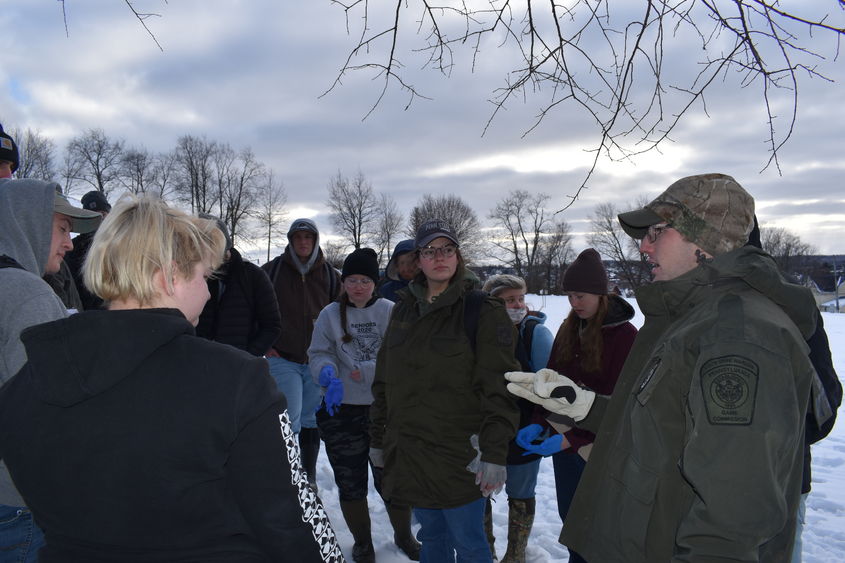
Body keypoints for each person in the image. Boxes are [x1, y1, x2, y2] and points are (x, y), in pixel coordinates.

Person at [0, 195, 342, 562]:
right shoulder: (236, 381)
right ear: (169, 275)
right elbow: (299, 524)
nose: (209, 291)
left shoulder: (32, 376)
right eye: (203, 276)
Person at [507, 173, 818, 562]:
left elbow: (732, 515)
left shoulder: (737, 335)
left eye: (657, 233)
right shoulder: (692, 319)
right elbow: (665, 424)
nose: (643, 247)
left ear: (704, 239)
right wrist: (582, 406)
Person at [370, 219, 520, 563]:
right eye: (429, 251)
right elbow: (385, 380)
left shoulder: (481, 310)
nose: (439, 257)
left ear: (457, 256)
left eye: (447, 249)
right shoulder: (404, 309)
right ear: (417, 260)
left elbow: (500, 386)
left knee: (468, 543)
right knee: (432, 537)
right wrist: (378, 437)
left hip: (460, 455)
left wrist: (494, 452)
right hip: (411, 451)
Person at [0, 178, 101, 562]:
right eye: (62, 228)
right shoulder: (28, 294)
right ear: (26, 221)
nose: (70, 243)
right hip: (19, 505)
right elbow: (47, 413)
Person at [520, 249, 637, 563]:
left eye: (581, 295)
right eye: (569, 296)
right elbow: (553, 382)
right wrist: (539, 420)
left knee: (599, 530)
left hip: (601, 450)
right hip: (566, 446)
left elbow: (620, 405)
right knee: (572, 523)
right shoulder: (569, 328)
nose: (574, 303)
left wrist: (573, 439)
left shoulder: (625, 336)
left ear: (601, 293)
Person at [308, 247, 420, 562]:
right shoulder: (330, 314)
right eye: (352, 280)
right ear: (343, 283)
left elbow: (403, 355)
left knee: (393, 479)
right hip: (341, 411)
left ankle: (404, 536)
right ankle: (362, 542)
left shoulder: (390, 310)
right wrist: (326, 373)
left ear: (375, 283)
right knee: (350, 480)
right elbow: (318, 352)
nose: (358, 286)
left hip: (383, 410)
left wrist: (366, 371)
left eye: (365, 280)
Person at [262, 218, 341, 490]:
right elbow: (253, 308)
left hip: (317, 360)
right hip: (282, 357)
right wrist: (264, 344)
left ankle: (308, 477)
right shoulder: (271, 272)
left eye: (308, 237)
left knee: (309, 419)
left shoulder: (331, 275)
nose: (303, 242)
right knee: (289, 417)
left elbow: (343, 315)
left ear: (316, 240)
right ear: (290, 241)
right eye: (298, 237)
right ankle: (289, 476)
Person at [479, 274, 554, 563]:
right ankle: (484, 551)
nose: (518, 305)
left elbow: (551, 387)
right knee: (480, 490)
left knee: (521, 493)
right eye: (509, 300)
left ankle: (516, 554)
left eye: (520, 298)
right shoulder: (478, 333)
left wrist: (542, 425)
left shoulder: (535, 333)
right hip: (486, 427)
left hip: (526, 427)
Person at [195, 214, 282, 357]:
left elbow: (272, 325)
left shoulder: (253, 276)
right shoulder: (194, 275)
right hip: (198, 363)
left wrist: (248, 356)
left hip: (239, 367)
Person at [64, 190, 112, 310]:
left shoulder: (119, 245)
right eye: (94, 215)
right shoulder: (71, 248)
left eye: (103, 214)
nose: (99, 220)